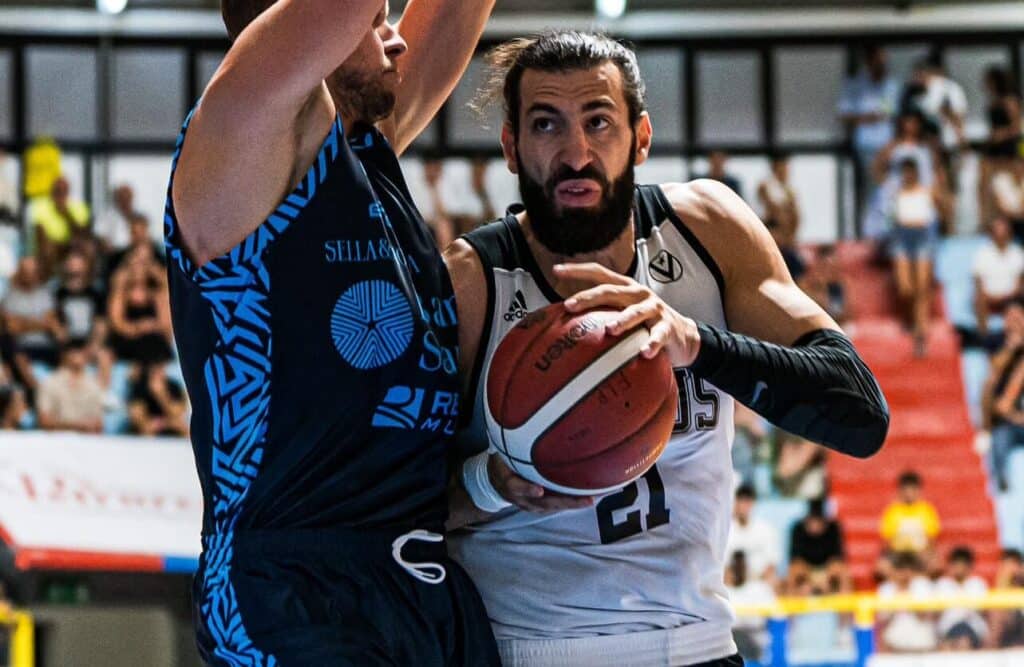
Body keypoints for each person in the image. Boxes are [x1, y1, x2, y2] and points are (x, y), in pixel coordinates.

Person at [444, 31, 888, 667]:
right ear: (511, 147)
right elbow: (373, 508)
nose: (576, 153)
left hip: (699, 643)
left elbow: (861, 414)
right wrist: (487, 483)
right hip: (532, 647)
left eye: (599, 122)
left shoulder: (706, 229)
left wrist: (697, 343)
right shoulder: (471, 283)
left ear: (642, 138)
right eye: (546, 125)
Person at [165, 0, 498, 664]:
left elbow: (455, 10)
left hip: (418, 572)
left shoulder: (367, 148)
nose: (396, 39)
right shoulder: (240, 126)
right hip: (290, 583)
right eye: (375, 22)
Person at [838, 45, 902, 232]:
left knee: (889, 188)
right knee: (869, 190)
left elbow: (899, 117)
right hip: (866, 146)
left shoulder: (892, 86)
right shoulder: (856, 84)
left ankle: (887, 230)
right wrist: (866, 118)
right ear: (868, 62)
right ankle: (869, 231)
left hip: (889, 147)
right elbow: (843, 114)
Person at [889, 158, 942, 356]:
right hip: (902, 240)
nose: (908, 176)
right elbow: (891, 221)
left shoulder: (927, 192)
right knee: (906, 288)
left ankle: (920, 334)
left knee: (921, 289)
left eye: (911, 172)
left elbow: (937, 215)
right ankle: (912, 320)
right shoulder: (895, 194)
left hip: (922, 240)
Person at [55, 251, 113, 389]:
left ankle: (101, 394)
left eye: (79, 265)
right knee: (68, 359)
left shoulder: (96, 294)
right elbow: (56, 325)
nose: (75, 269)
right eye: (72, 264)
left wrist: (93, 346)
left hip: (90, 341)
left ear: (86, 267)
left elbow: (101, 324)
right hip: (68, 343)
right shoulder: (58, 294)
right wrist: (68, 346)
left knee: (105, 356)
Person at [36, 341, 105, 434]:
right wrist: (77, 425)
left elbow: (98, 425)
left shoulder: (94, 385)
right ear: (64, 355)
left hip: (85, 439)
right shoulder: (50, 383)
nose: (77, 355)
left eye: (80, 351)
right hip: (56, 438)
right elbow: (44, 421)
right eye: (73, 351)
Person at [30, 176, 92, 279]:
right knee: (48, 250)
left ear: (68, 191)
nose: (60, 194)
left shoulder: (79, 207)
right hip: (51, 246)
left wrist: (66, 214)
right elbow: (40, 236)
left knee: (87, 249)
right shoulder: (41, 207)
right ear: (52, 192)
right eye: (57, 191)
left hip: (72, 245)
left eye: (64, 191)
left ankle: (84, 283)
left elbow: (83, 235)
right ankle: (49, 281)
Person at [973, 217, 1024, 339]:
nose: (1000, 235)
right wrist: (991, 297)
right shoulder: (982, 254)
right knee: (979, 300)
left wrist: (1006, 297)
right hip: (988, 297)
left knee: (1018, 301)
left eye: (1003, 232)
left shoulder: (1017, 253)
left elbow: (1019, 284)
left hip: (1011, 297)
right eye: (997, 232)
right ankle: (984, 338)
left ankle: (1018, 338)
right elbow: (978, 283)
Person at [787, 498, 851, 595]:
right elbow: (794, 559)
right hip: (806, 572)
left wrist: (826, 578)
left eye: (818, 522)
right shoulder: (798, 529)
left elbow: (838, 558)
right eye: (813, 522)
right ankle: (791, 603)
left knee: (841, 570)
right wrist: (809, 581)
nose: (815, 526)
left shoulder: (834, 528)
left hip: (828, 572)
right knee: (795, 570)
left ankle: (845, 603)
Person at [877, 551, 938, 652]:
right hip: (894, 644)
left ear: (913, 571)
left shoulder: (923, 585)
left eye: (908, 569)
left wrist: (908, 592)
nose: (904, 573)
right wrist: (898, 592)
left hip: (922, 643)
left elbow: (925, 615)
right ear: (894, 571)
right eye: (900, 569)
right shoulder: (886, 588)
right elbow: (884, 620)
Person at [935, 546, 989, 651]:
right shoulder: (943, 584)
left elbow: (981, 609)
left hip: (972, 627)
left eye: (962, 564)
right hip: (948, 627)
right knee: (950, 645)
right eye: (955, 564)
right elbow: (937, 612)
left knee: (964, 641)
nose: (958, 568)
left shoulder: (977, 583)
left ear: (969, 566)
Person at [726, 484, 782, 585]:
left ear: (753, 503)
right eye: (741, 501)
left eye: (747, 501)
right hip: (733, 583)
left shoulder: (765, 530)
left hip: (761, 582)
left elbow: (772, 564)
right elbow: (723, 566)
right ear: (736, 503)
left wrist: (759, 580)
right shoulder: (727, 531)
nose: (744, 506)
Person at [879, 471, 941, 555]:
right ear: (900, 491)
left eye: (912, 489)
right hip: (897, 553)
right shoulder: (893, 511)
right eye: (906, 490)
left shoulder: (927, 510)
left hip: (921, 553)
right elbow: (887, 539)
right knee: (883, 562)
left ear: (918, 490)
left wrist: (926, 552)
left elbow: (931, 538)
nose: (909, 494)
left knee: (934, 560)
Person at [127, 362, 188, 437]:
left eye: (160, 368)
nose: (157, 372)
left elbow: (178, 412)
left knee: (184, 427)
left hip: (170, 421)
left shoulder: (173, 386)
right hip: (148, 424)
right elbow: (136, 413)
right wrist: (150, 424)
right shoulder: (141, 386)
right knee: (144, 429)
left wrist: (161, 396)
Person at [93, 184, 137, 256]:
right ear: (117, 199)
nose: (125, 201)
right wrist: (106, 244)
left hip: (134, 252)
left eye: (128, 198)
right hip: (114, 253)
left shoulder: (137, 216)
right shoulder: (106, 216)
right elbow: (99, 234)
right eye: (122, 198)